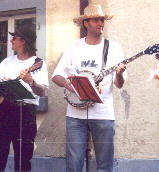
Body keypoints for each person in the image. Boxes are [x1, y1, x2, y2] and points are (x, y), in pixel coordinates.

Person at [52, 4, 127, 172]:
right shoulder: (74, 47)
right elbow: (56, 76)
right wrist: (70, 86)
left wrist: (120, 73)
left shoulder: (113, 48)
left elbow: (119, 83)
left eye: (102, 20)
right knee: (74, 164)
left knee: (104, 165)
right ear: (86, 23)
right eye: (96, 20)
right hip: (75, 116)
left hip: (103, 114)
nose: (101, 23)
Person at [0, 25, 49, 172]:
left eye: (14, 38)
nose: (11, 40)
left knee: (23, 157)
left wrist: (31, 81)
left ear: (24, 41)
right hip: (4, 110)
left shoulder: (38, 63)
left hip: (25, 112)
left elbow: (43, 91)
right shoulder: (7, 61)